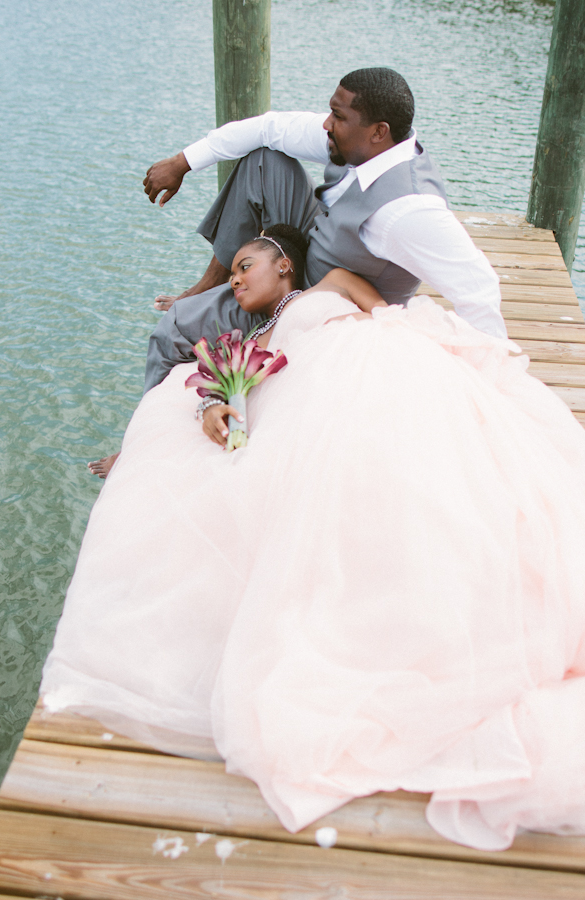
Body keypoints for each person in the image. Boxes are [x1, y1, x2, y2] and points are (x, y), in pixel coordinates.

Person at [43, 225, 585, 852]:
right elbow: (220, 393)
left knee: (444, 476)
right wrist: (213, 407)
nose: (236, 277)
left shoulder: (331, 285)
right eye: (234, 271)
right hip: (313, 414)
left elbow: (390, 315)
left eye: (247, 265)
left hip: (383, 370)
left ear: (284, 265)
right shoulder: (249, 344)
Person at [141, 67, 507, 396]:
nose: (326, 124)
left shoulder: (408, 210)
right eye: (332, 111)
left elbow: (479, 289)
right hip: (317, 244)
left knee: (172, 330)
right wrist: (182, 162)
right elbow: (269, 127)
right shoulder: (363, 142)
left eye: (338, 116)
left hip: (326, 305)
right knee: (263, 161)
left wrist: (489, 387)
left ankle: (142, 443)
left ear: (379, 132)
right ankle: (213, 283)